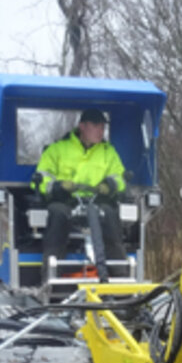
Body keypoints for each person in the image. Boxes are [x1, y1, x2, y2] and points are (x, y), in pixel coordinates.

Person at [34, 108, 127, 262]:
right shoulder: (57, 149)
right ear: (82, 126)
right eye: (96, 126)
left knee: (110, 215)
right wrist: (59, 186)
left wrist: (110, 185)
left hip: (97, 202)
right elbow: (41, 178)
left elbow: (120, 177)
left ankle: (119, 270)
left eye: (103, 127)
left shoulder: (108, 152)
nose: (101, 131)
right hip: (66, 201)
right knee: (57, 213)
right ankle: (52, 269)